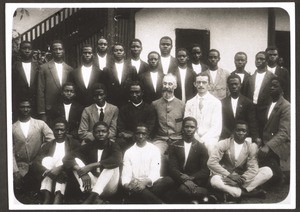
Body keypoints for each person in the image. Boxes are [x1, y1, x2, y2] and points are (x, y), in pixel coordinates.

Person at [208, 121, 273, 203]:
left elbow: (253, 168)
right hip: (225, 177)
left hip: (241, 178)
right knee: (215, 180)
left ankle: (233, 193)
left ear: (247, 133)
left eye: (243, 130)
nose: (240, 133)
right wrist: (230, 176)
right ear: (233, 131)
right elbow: (211, 162)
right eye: (238, 130)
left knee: (267, 171)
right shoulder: (224, 143)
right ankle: (248, 194)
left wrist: (241, 181)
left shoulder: (250, 146)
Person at [63, 122, 122, 204]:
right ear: (93, 134)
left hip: (108, 187)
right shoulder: (89, 146)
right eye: (97, 132)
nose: (101, 134)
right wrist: (82, 172)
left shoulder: (113, 146)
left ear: (108, 133)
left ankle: (92, 197)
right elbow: (67, 158)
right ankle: (95, 197)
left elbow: (117, 160)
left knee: (111, 166)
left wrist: (91, 166)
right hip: (92, 185)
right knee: (76, 161)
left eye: (103, 131)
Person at [121, 124, 174, 203]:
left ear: (147, 135)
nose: (140, 136)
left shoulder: (154, 149)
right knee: (136, 189)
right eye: (138, 133)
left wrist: (144, 183)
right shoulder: (129, 152)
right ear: (134, 135)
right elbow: (126, 174)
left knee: (168, 180)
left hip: (150, 183)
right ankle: (160, 205)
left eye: (143, 134)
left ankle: (136, 198)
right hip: (135, 184)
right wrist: (127, 186)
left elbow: (155, 172)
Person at [13, 99, 54, 199]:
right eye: (22, 107)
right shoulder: (12, 127)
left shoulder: (40, 124)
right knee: (19, 187)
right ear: (18, 108)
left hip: (37, 163)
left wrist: (42, 149)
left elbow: (51, 139)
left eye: (28, 107)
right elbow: (9, 150)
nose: (25, 109)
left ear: (31, 108)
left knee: (39, 186)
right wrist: (15, 171)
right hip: (21, 165)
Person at [33, 118, 80, 204]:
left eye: (62, 130)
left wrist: (61, 170)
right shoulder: (48, 145)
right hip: (50, 173)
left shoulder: (74, 143)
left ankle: (58, 196)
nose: (59, 133)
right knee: (47, 160)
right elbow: (37, 162)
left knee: (62, 160)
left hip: (67, 174)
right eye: (56, 130)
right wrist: (48, 172)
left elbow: (76, 160)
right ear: (53, 130)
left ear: (66, 130)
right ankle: (46, 196)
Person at [168, 117, 210, 203]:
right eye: (186, 127)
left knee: (182, 190)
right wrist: (183, 179)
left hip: (195, 180)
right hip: (179, 179)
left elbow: (205, 170)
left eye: (192, 127)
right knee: (168, 187)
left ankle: (206, 193)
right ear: (182, 128)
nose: (189, 129)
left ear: (196, 129)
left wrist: (190, 179)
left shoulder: (201, 147)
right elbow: (172, 167)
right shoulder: (174, 145)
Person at [257, 77, 290, 185]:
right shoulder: (269, 103)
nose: (271, 88)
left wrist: (268, 146)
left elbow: (284, 133)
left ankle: (281, 175)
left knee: (271, 175)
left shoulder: (286, 106)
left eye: (275, 86)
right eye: (270, 86)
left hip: (279, 146)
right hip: (266, 142)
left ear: (282, 88)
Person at [184, 72, 222, 155]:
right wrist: (196, 137)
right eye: (198, 82)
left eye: (204, 82)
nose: (201, 85)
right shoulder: (189, 103)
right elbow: (187, 124)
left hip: (210, 138)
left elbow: (216, 127)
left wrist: (203, 140)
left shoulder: (216, 102)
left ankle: (209, 168)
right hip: (193, 136)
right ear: (194, 84)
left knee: (211, 146)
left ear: (209, 84)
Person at [37, 40, 73, 122]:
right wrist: (42, 112)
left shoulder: (69, 69)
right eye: (55, 49)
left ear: (63, 51)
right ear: (52, 51)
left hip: (64, 108)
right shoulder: (44, 68)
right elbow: (40, 90)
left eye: (60, 49)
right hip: (49, 109)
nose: (58, 51)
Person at [117, 81, 156, 152]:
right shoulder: (124, 109)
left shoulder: (150, 109)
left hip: (144, 139)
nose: (134, 95)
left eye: (137, 92)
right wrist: (132, 136)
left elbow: (150, 128)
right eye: (132, 92)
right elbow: (121, 128)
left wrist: (134, 135)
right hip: (127, 141)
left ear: (142, 92)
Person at [152, 73, 185, 156]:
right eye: (165, 83)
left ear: (175, 86)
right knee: (155, 154)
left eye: (170, 84)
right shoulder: (155, 104)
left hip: (178, 139)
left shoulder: (182, 105)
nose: (167, 87)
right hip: (160, 140)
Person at [244, 51, 275, 138]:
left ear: (267, 61)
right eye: (257, 59)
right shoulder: (250, 78)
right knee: (252, 133)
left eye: (262, 59)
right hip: (252, 110)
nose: (258, 61)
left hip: (265, 110)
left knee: (264, 134)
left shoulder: (272, 77)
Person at [220, 74, 259, 143]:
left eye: (236, 84)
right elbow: (222, 123)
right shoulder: (222, 103)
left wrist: (255, 138)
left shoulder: (248, 102)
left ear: (240, 85)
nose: (234, 86)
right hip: (227, 137)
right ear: (228, 86)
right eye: (231, 84)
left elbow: (252, 122)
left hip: (244, 137)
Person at [12, 41, 39, 121]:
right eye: (24, 48)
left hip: (35, 103)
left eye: (29, 48)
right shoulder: (14, 66)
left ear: (33, 51)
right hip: (19, 103)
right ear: (20, 50)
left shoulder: (38, 66)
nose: (27, 51)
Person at [105, 42, 137, 107]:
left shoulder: (132, 68)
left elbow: (135, 84)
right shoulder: (106, 69)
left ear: (124, 53)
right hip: (112, 102)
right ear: (112, 53)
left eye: (121, 50)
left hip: (128, 102)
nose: (118, 52)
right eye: (116, 50)